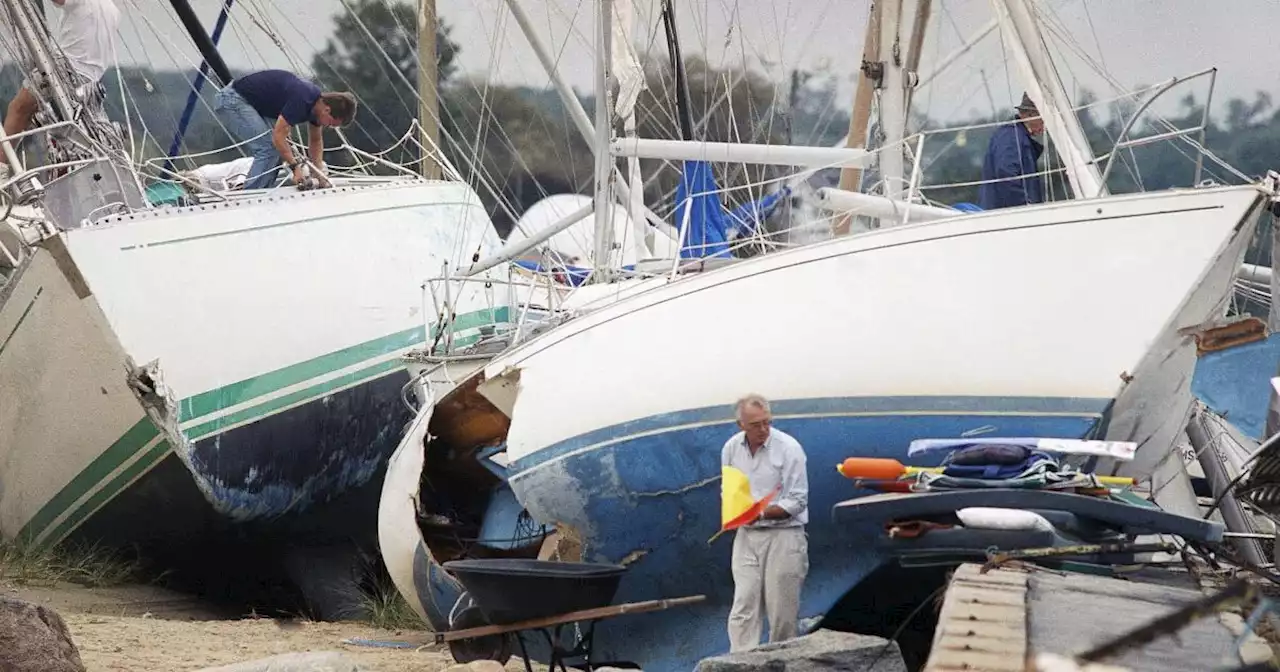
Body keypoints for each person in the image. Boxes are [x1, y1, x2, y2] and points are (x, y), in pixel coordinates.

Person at [722, 393, 809, 652]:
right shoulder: (730, 448)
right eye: (756, 425)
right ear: (741, 426)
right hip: (747, 535)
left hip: (783, 534)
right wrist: (734, 513)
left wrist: (760, 513)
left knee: (782, 611)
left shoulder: (789, 448)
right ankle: (740, 662)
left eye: (766, 423)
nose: (763, 429)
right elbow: (729, 490)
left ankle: (781, 663)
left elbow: (797, 499)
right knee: (743, 606)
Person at [3, 0, 120, 151]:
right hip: (90, 82)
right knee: (61, 125)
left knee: (18, 108)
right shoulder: (112, 10)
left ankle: (2, 168)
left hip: (63, 69)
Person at [213, 69, 357, 191]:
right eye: (331, 123)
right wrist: (295, 169)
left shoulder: (315, 107)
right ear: (327, 110)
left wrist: (318, 172)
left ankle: (262, 189)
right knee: (269, 147)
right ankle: (251, 193)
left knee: (278, 149)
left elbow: (316, 140)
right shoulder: (303, 99)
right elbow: (278, 137)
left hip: (252, 104)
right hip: (233, 100)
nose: (327, 126)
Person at [978, 92, 1046, 210]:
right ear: (1029, 115)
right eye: (1043, 119)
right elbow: (1005, 172)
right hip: (1007, 218)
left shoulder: (1015, 136)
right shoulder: (1011, 136)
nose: (1045, 126)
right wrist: (1025, 206)